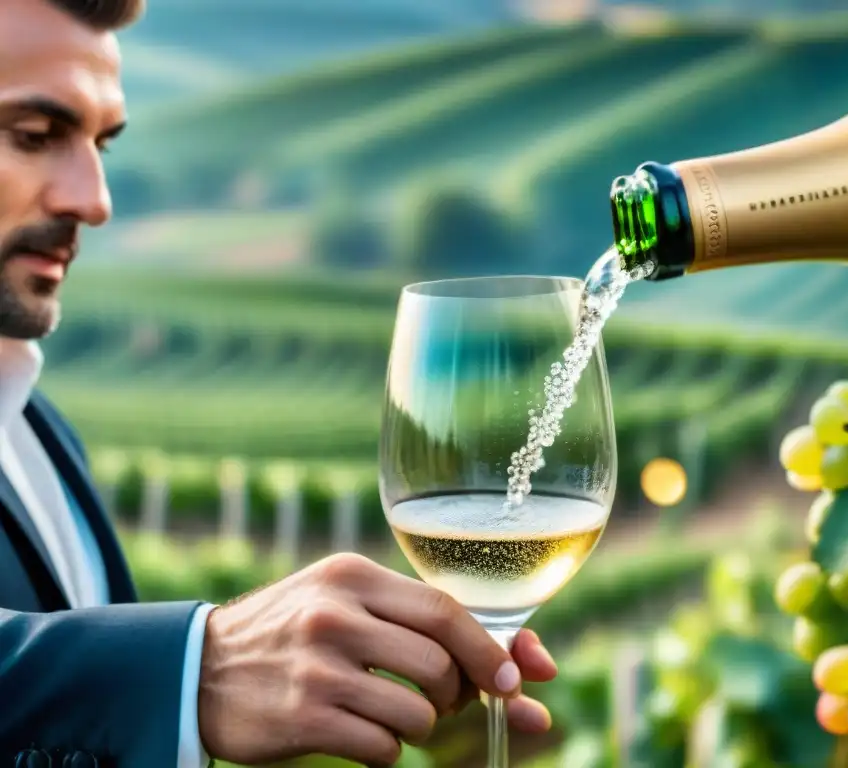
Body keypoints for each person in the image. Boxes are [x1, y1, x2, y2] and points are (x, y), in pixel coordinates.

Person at [0, 0, 559, 766]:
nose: (93, 200)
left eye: (100, 144)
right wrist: (194, 669)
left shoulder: (33, 430)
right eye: (34, 136)